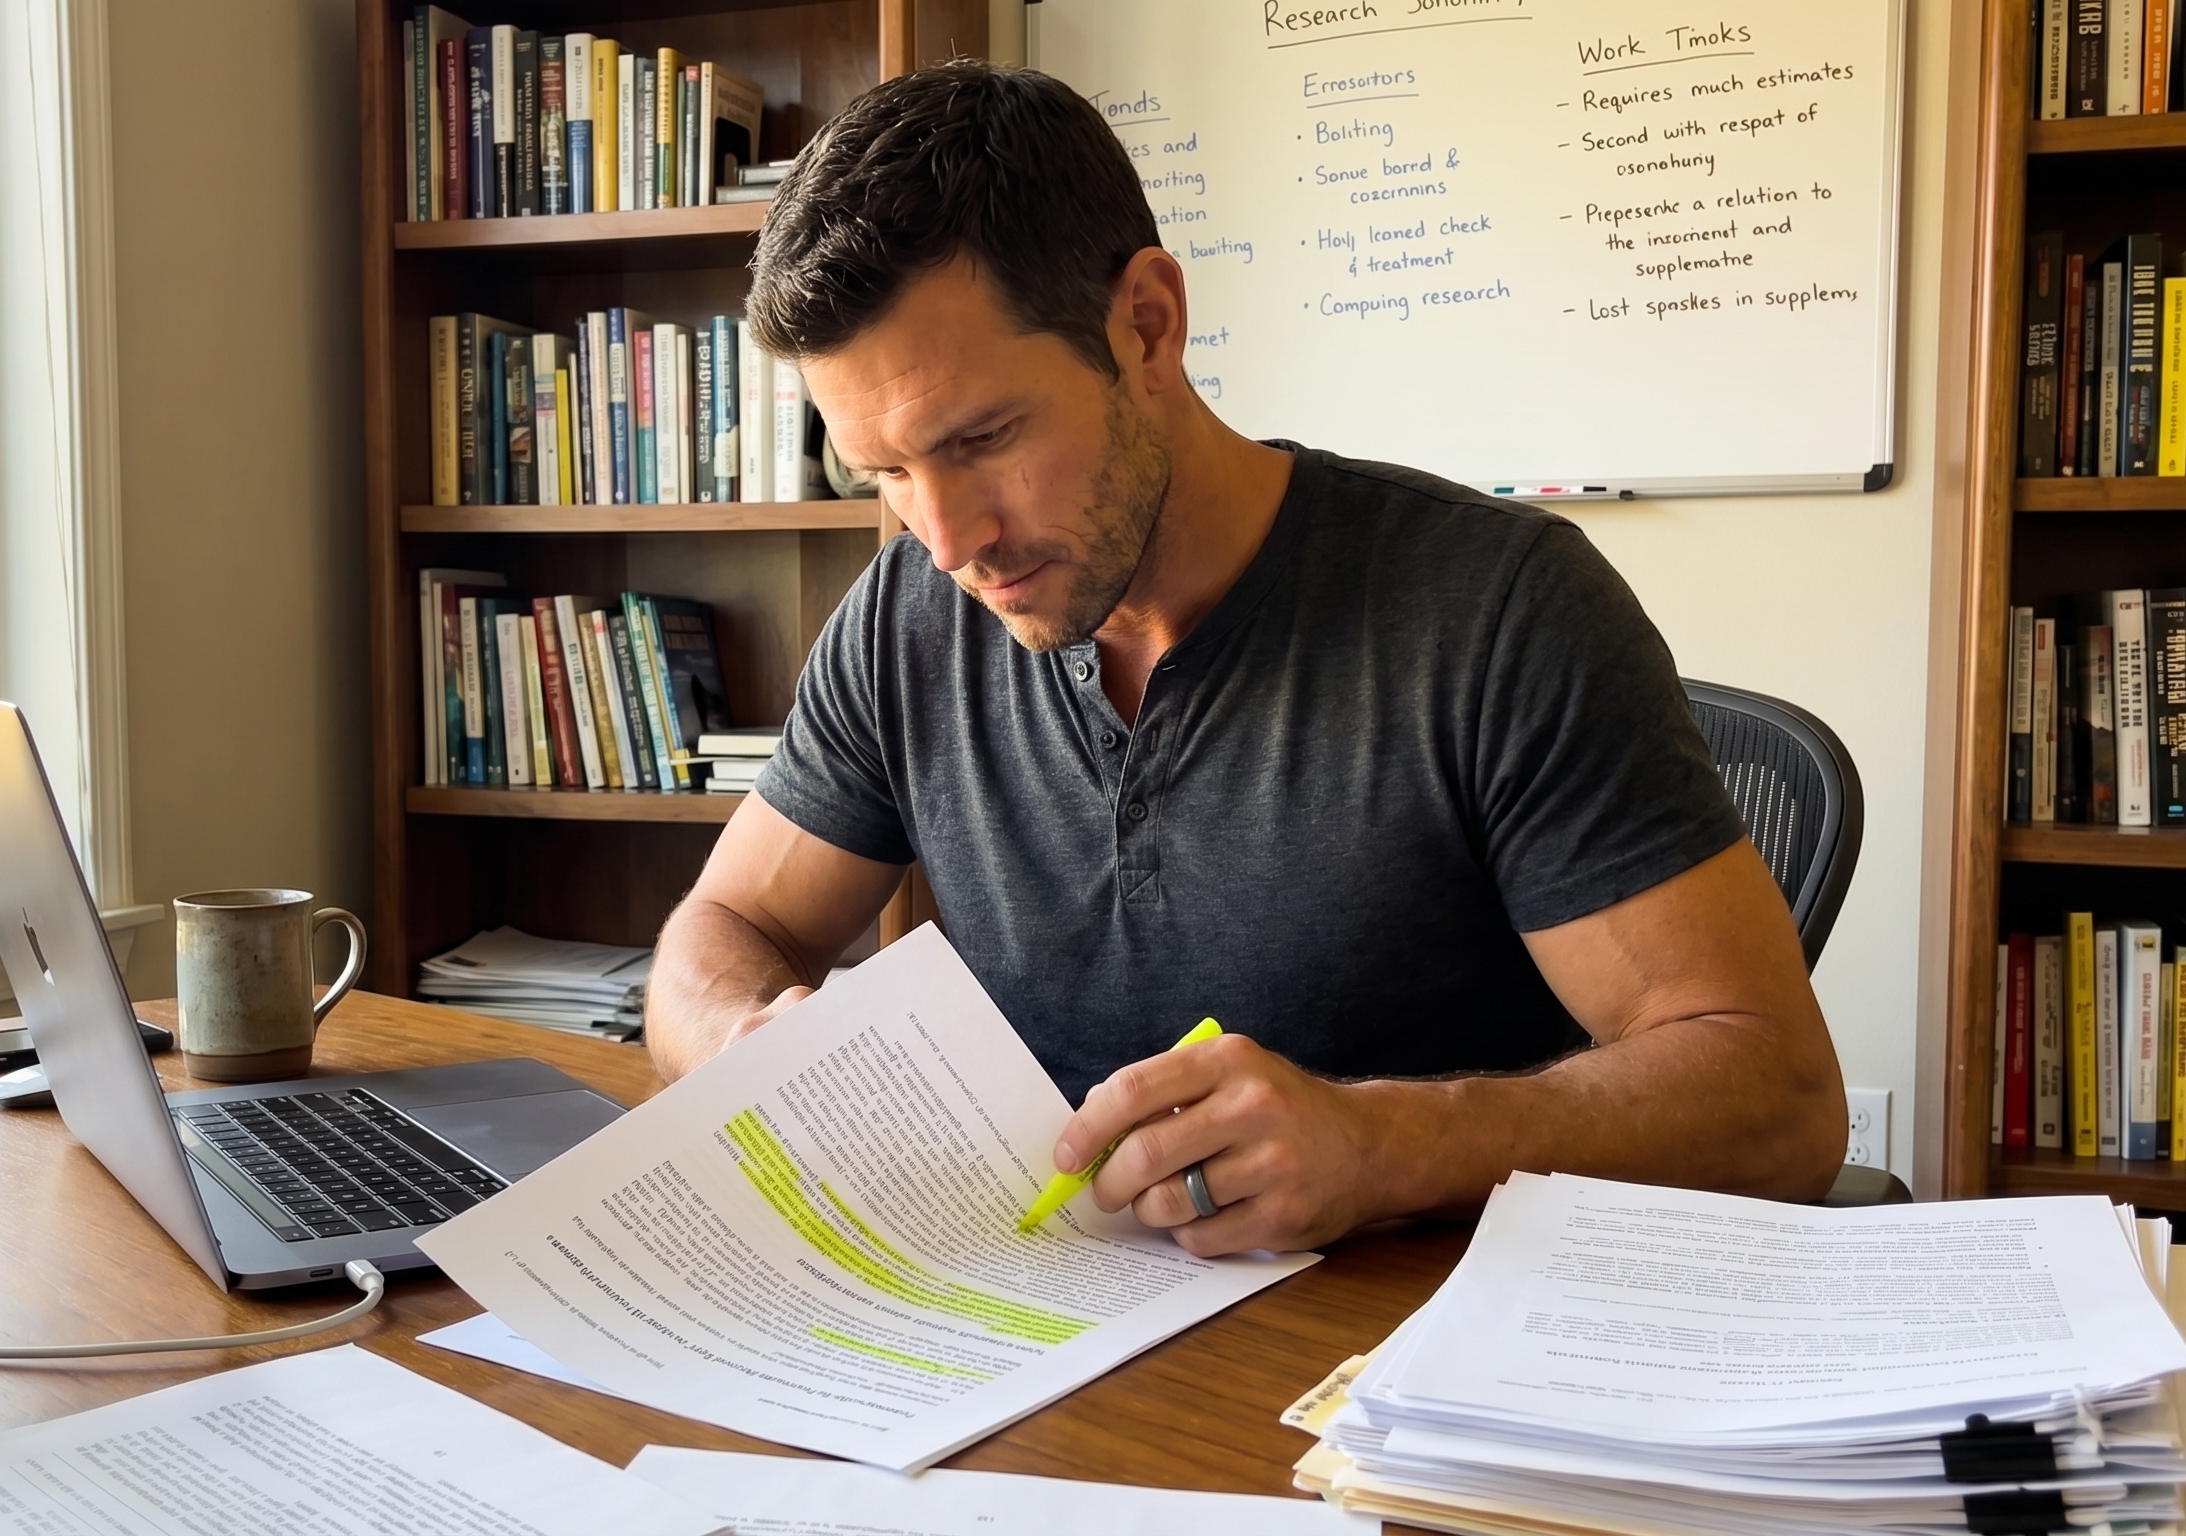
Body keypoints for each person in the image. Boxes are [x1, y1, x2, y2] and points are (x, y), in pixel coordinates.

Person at [645, 62, 1846, 1258]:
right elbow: (728, 923)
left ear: (1148, 325)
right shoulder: (909, 612)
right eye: (888, 476)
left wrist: (1389, 1146)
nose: (949, 539)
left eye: (984, 438)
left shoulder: (1496, 612)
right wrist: (742, 1043)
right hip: (1040, 1337)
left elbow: (1782, 1103)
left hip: (1391, 1372)